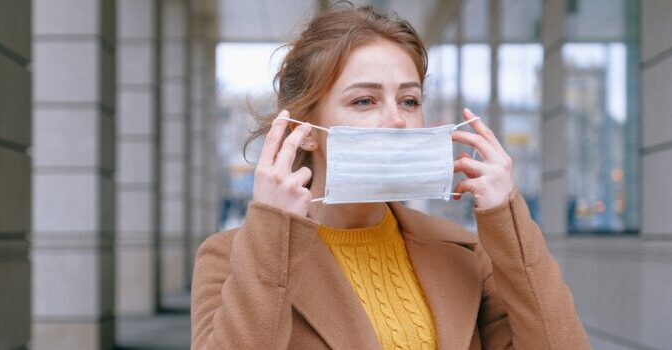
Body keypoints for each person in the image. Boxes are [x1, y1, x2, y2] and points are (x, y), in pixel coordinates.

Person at [191, 4, 590, 350]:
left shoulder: (463, 253)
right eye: (364, 100)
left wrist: (508, 220)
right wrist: (273, 232)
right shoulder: (229, 258)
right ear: (305, 129)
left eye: (409, 100)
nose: (397, 120)